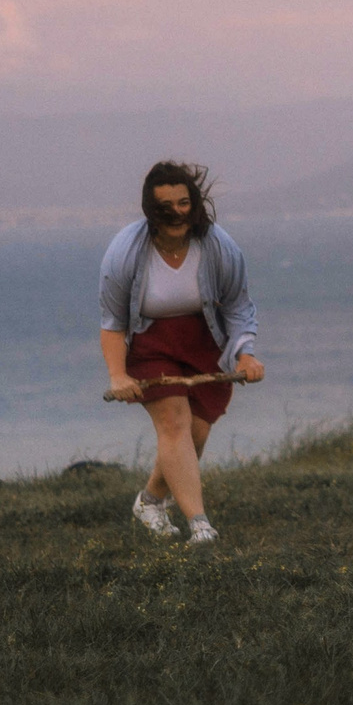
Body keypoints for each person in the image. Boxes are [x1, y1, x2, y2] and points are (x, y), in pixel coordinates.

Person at [98, 160, 262, 543]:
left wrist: (245, 354)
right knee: (174, 423)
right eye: (165, 206)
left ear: (195, 203)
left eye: (183, 202)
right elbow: (113, 323)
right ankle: (200, 525)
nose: (176, 213)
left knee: (195, 433)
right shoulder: (124, 252)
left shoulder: (219, 245)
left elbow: (238, 306)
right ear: (149, 210)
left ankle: (150, 500)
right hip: (151, 346)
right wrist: (118, 375)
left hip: (205, 344)